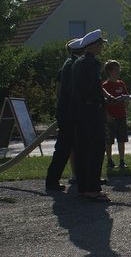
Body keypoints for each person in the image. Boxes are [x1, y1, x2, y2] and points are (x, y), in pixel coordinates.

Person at [71, 29, 114, 201]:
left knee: (82, 150)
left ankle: (83, 187)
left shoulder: (78, 63)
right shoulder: (92, 64)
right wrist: (101, 103)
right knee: (95, 150)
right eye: (101, 44)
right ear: (94, 45)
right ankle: (93, 189)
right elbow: (91, 89)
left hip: (80, 114)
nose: (102, 47)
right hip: (91, 114)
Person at [45, 37, 84, 192]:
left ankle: (76, 177)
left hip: (66, 114)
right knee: (63, 148)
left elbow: (59, 93)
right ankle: (52, 181)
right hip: (69, 115)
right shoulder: (72, 65)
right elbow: (64, 92)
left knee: (69, 147)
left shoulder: (67, 64)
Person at [102, 60, 129, 169]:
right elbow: (102, 103)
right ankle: (109, 161)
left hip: (121, 116)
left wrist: (126, 105)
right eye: (116, 69)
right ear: (109, 71)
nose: (118, 71)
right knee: (109, 141)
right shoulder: (105, 85)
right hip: (110, 118)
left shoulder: (121, 83)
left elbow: (126, 97)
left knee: (122, 140)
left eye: (119, 69)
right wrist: (107, 115)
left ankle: (122, 161)